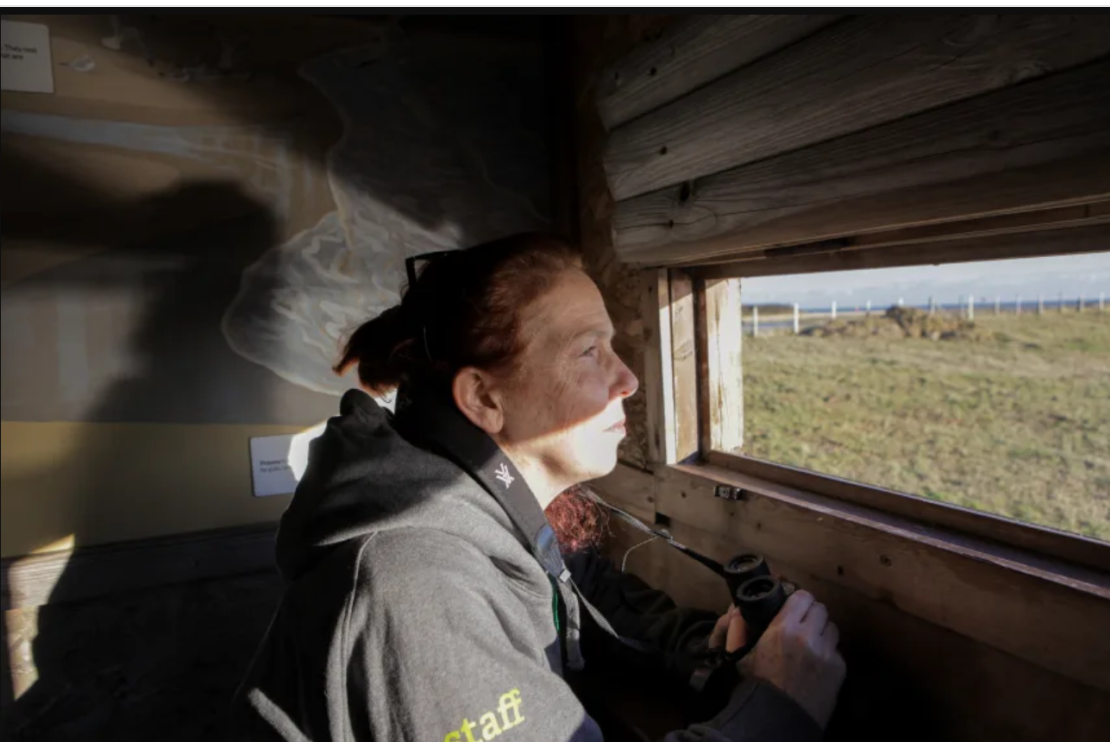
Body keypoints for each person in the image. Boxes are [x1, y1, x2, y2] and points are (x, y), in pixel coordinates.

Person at [232, 233, 846, 741]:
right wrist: (776, 707)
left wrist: (707, 652)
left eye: (613, 348)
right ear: (484, 398)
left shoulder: (476, 509)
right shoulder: (414, 585)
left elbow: (577, 587)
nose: (626, 378)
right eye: (588, 352)